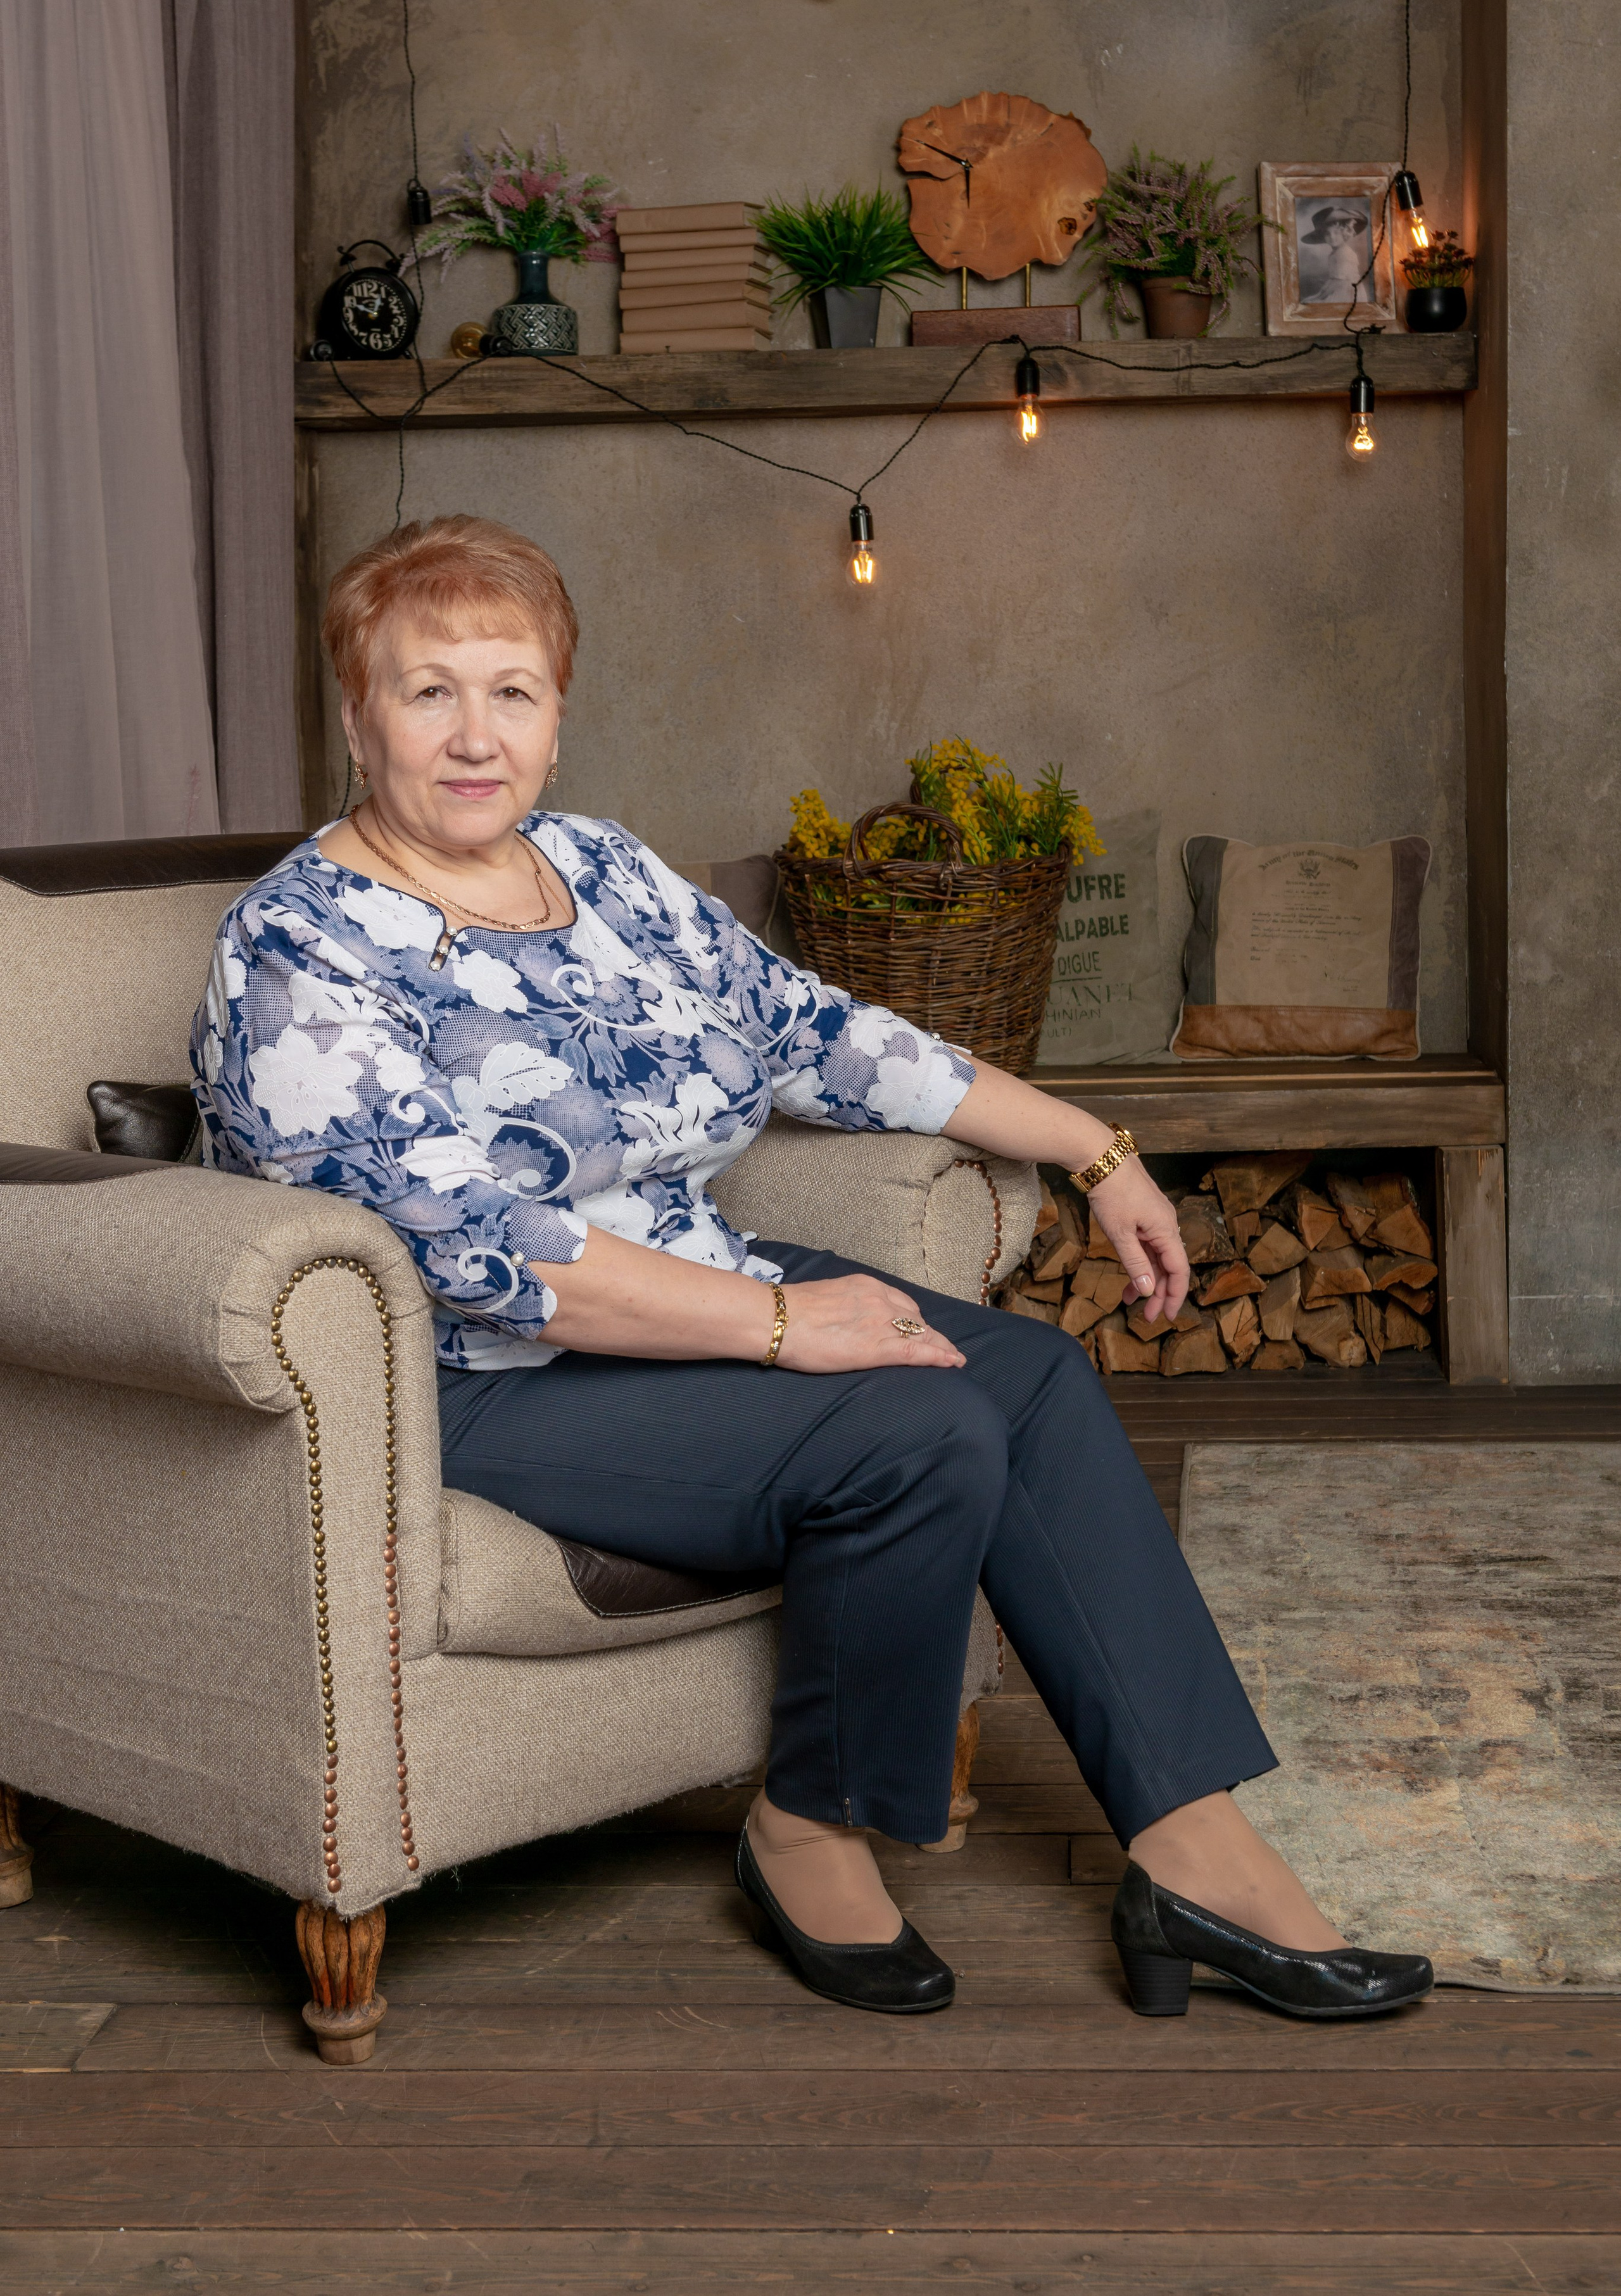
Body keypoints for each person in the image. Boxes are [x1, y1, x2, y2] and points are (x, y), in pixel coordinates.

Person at [191, 515, 1431, 2025]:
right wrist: (781, 1322)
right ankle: (807, 1825)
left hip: (692, 1287)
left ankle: (1189, 1851)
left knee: (1025, 1375)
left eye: (510, 691)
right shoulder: (299, 949)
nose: (473, 735)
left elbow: (814, 1033)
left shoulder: (602, 872)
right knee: (914, 1425)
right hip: (480, 1376)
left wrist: (1090, 1148)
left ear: (558, 712)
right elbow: (480, 1251)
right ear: (355, 712)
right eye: (427, 690)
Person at [1297, 201, 1378, 305]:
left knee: (1315, 304)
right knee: (1309, 301)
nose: (1332, 237)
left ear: (1345, 233)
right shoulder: (1335, 253)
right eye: (1327, 233)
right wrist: (1318, 295)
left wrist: (1320, 297)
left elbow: (1340, 284)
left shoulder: (1344, 254)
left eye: (1336, 233)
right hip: (1339, 288)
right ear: (1323, 236)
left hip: (1348, 292)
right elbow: (1333, 281)